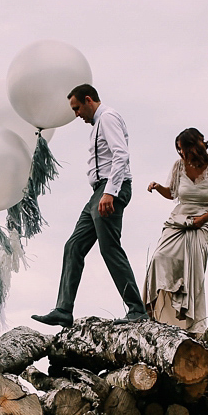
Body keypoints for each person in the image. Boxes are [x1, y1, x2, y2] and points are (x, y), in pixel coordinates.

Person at [31, 84, 148, 328]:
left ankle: (137, 309)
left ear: (88, 100)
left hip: (110, 190)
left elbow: (120, 155)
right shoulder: (97, 124)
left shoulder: (108, 118)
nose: (76, 115)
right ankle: (64, 309)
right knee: (73, 245)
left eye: (77, 108)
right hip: (98, 192)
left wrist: (110, 192)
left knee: (110, 248)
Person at [141, 128, 208, 333]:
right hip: (179, 220)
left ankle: (192, 324)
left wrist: (202, 219)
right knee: (159, 257)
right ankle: (152, 313)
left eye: (183, 149)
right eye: (178, 150)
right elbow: (172, 192)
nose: (180, 154)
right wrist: (157, 187)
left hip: (204, 223)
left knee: (193, 267)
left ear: (194, 147)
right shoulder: (178, 166)